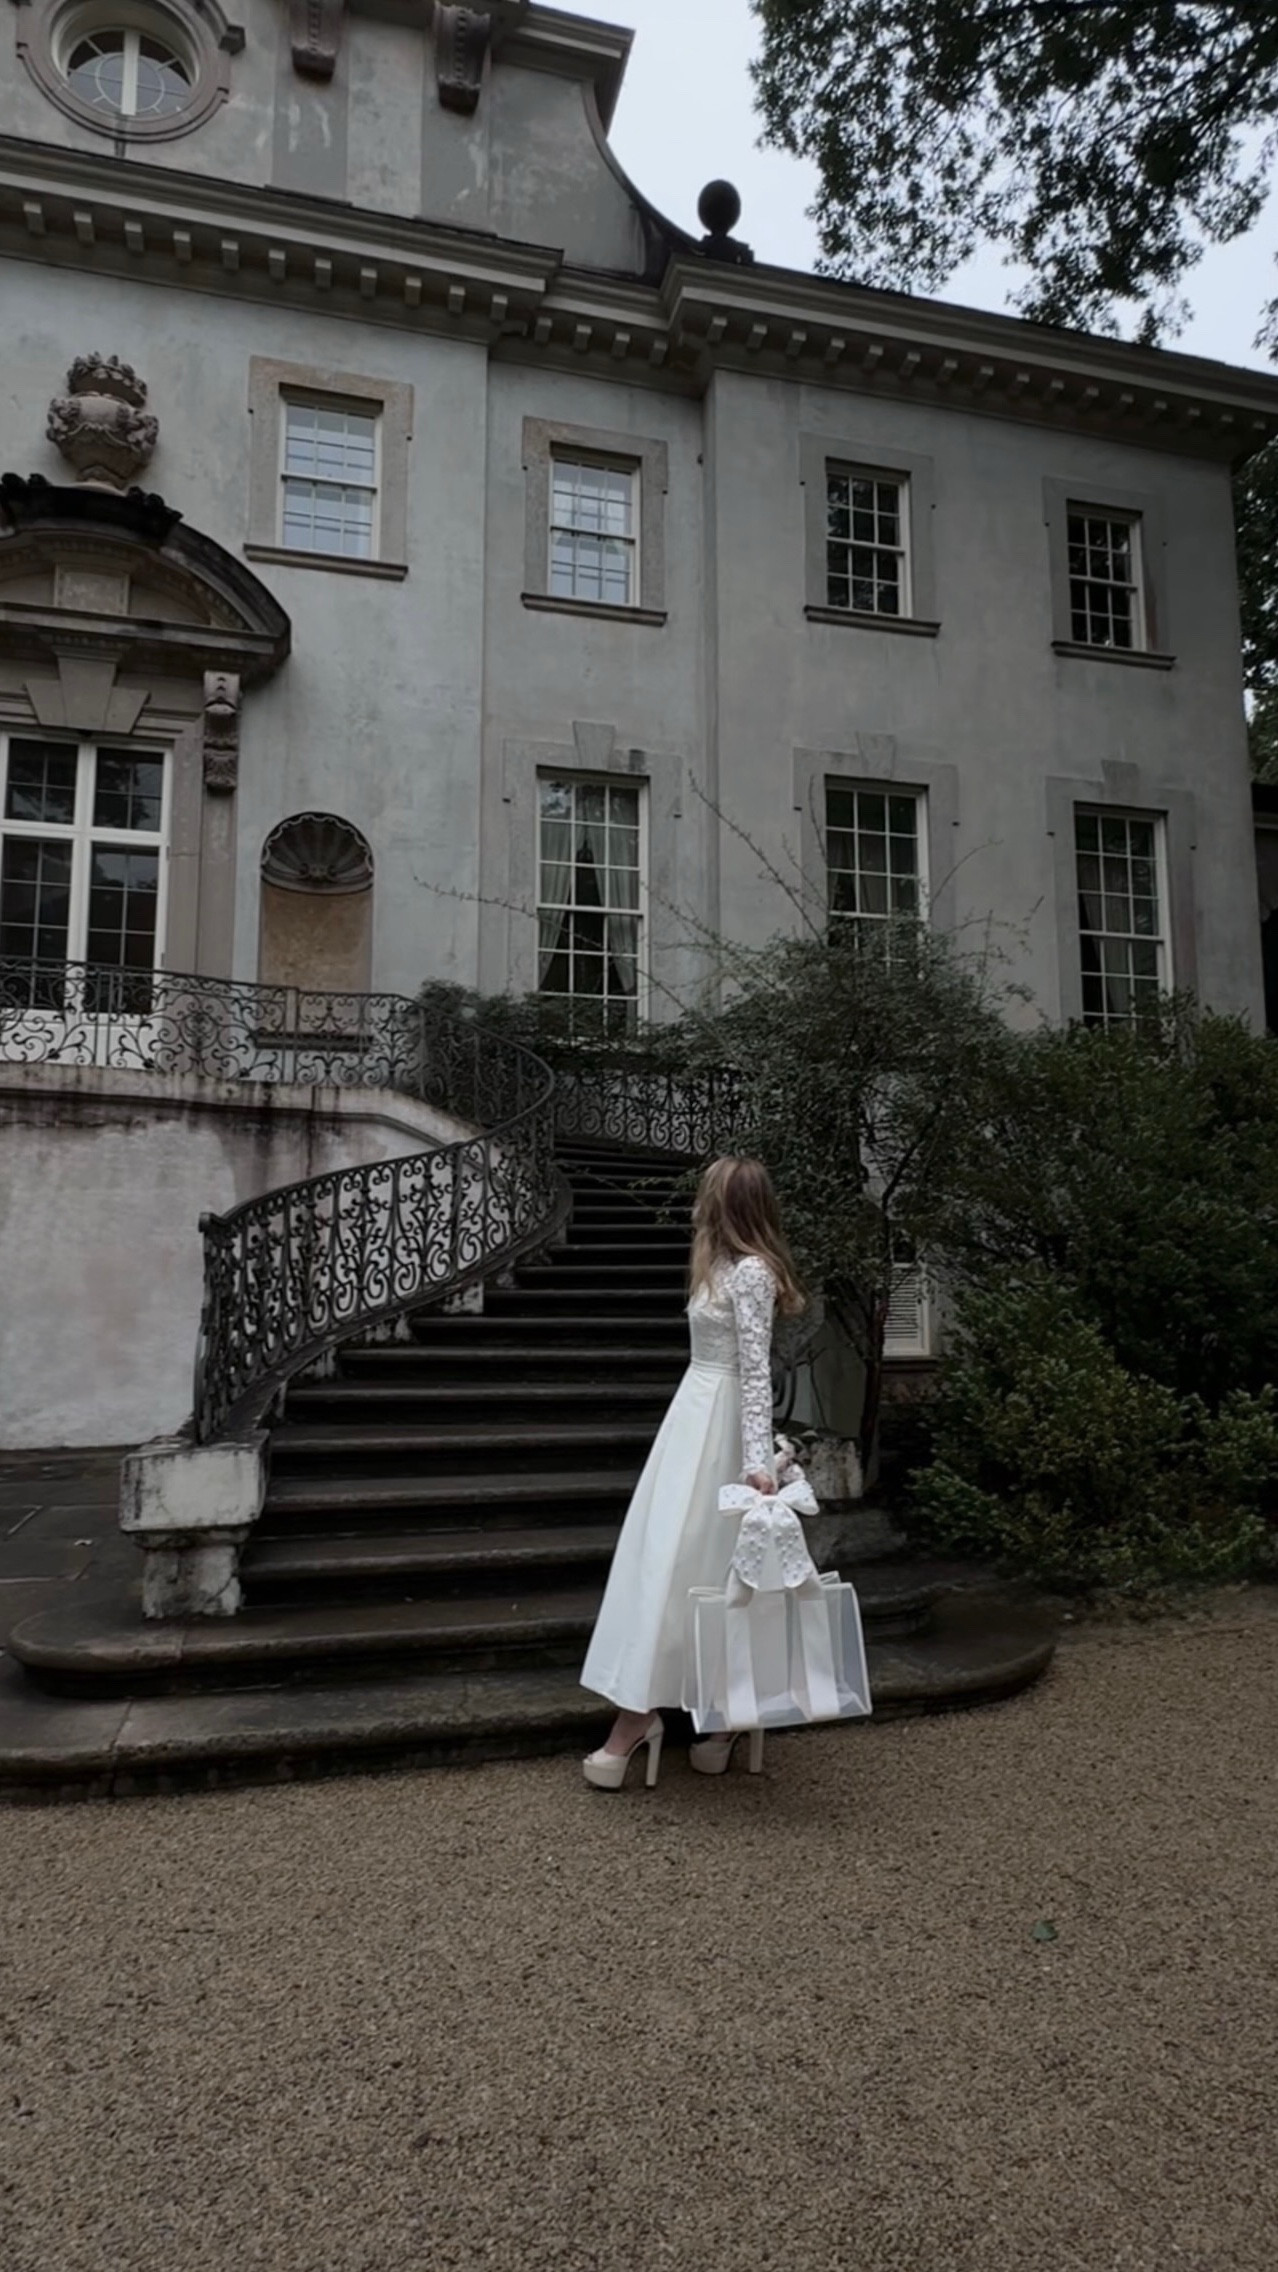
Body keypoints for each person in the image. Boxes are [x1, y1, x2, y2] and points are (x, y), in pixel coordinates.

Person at [580, 1154, 805, 1789]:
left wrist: (758, 1463)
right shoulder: (717, 1264)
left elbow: (757, 1370)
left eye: (709, 1195)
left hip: (727, 1426)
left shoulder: (755, 1272)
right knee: (664, 1559)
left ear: (731, 1205)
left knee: (716, 1565)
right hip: (693, 1416)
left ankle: (723, 1718)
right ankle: (642, 1713)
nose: (698, 1205)